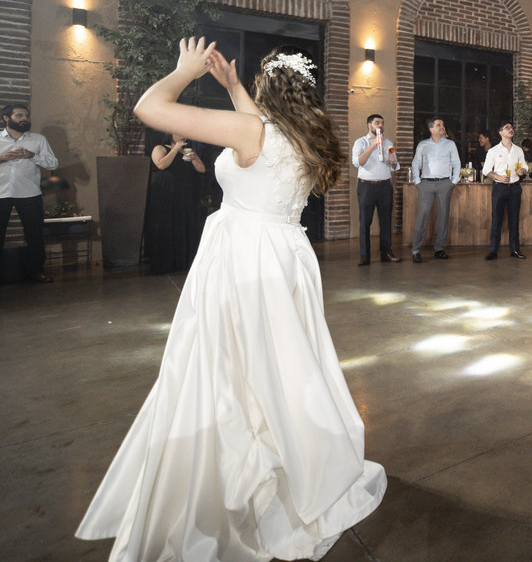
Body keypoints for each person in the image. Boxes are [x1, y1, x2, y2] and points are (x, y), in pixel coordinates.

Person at [77, 39, 385, 559]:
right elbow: (257, 138)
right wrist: (235, 86)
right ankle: (288, 451)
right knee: (274, 363)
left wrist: (183, 71)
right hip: (284, 257)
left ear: (270, 93)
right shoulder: (298, 134)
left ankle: (237, 466)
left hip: (246, 258)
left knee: (227, 365)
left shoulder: (252, 131)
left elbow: (149, 108)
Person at [0, 104, 58, 283]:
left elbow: (53, 164)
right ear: (6, 118)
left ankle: (36, 271)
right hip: (1, 193)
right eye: (19, 115)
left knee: (34, 234)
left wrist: (33, 156)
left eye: (26, 115)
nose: (24, 118)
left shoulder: (38, 140)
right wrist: (1, 158)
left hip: (29, 193)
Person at [146, 131, 207, 274]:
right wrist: (175, 149)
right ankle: (164, 262)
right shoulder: (160, 148)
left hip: (183, 193)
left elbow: (202, 169)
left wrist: (193, 158)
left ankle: (182, 261)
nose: (182, 136)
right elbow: (161, 165)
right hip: (165, 192)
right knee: (166, 223)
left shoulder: (187, 151)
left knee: (182, 223)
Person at [410, 117, 461, 262]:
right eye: (439, 125)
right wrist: (417, 182)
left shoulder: (450, 144)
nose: (442, 127)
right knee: (422, 217)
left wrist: (454, 181)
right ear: (431, 129)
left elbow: (456, 163)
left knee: (443, 217)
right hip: (426, 184)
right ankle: (416, 251)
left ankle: (439, 249)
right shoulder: (423, 145)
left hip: (444, 184)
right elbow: (416, 163)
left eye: (443, 124)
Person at [353, 114, 401, 265]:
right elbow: (358, 162)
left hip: (385, 186)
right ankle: (364, 255)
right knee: (365, 221)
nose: (380, 125)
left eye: (382, 123)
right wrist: (373, 145)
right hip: (366, 186)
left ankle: (386, 252)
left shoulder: (389, 143)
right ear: (369, 125)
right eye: (377, 122)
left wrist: (393, 161)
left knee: (386, 220)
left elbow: (395, 165)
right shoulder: (360, 142)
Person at [482, 119, 528, 260]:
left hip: (515, 188)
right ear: (501, 132)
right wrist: (498, 177)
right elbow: (486, 171)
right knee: (497, 220)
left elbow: (525, 167)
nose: (511, 129)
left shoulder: (518, 150)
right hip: (499, 188)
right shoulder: (493, 151)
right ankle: (493, 251)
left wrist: (522, 171)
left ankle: (515, 250)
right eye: (507, 128)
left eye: (511, 127)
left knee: (514, 220)